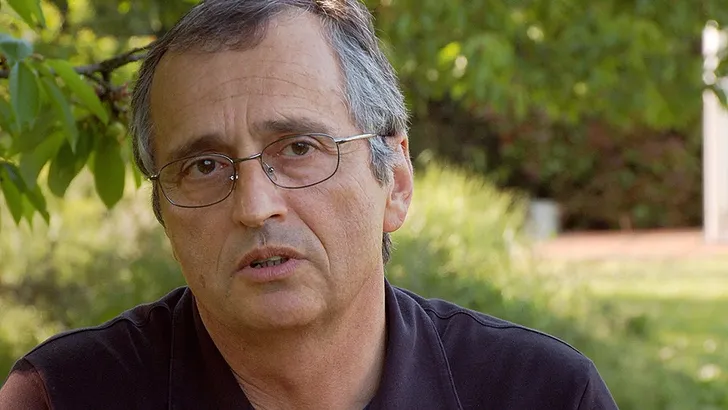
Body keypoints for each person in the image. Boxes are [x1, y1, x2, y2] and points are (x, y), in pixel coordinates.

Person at [0, 1, 618, 409]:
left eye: (299, 148)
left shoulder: (542, 394)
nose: (255, 206)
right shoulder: (63, 396)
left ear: (396, 180)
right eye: (204, 166)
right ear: (163, 208)